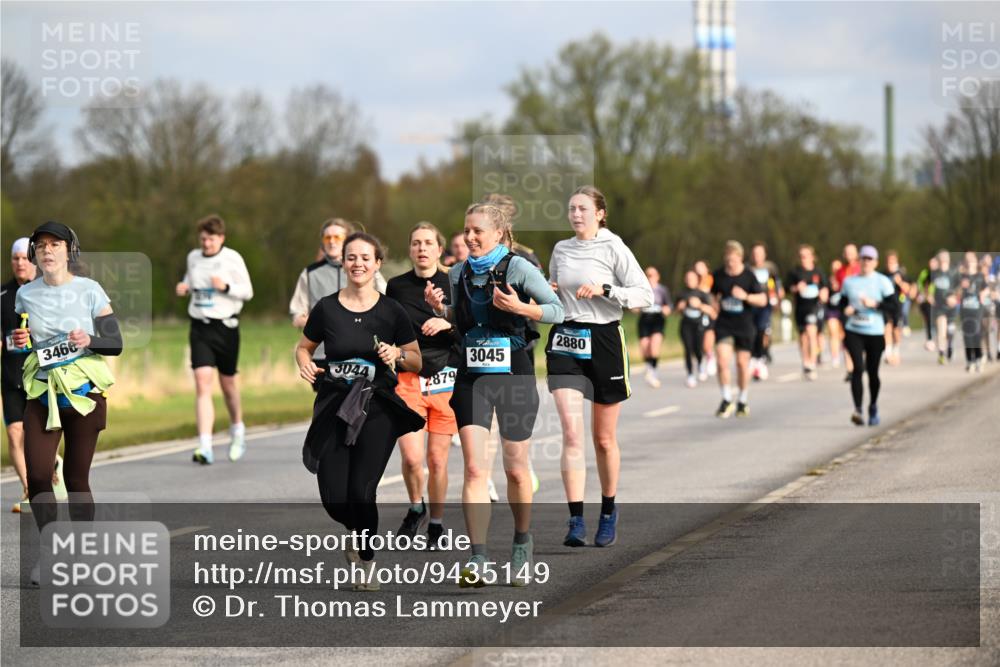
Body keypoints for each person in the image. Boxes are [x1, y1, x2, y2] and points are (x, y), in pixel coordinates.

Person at [424, 202, 563, 586]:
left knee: (516, 467)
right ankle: (478, 557)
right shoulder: (458, 272)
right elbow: (462, 316)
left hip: (514, 373)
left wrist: (522, 307)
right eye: (466, 230)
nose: (469, 237)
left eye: (477, 231)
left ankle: (521, 542)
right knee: (473, 468)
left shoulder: (519, 268)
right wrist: (443, 311)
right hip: (471, 375)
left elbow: (558, 310)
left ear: (498, 234)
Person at [297, 232, 425, 591]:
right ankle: (354, 529)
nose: (358, 264)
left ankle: (367, 562)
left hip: (377, 404)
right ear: (343, 262)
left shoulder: (390, 310)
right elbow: (304, 347)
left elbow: (416, 359)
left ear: (377, 264)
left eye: (365, 258)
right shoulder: (327, 307)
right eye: (351, 257)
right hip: (335, 403)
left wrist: (396, 355)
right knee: (335, 496)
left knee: (362, 489)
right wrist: (305, 363)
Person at [13, 221, 123, 585]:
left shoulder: (89, 289)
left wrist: (88, 339)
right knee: (40, 475)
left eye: (54, 244)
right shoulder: (26, 294)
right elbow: (22, 343)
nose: (47, 250)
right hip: (42, 392)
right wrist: (20, 339)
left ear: (68, 250)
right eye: (40, 245)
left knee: (76, 478)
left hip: (83, 394)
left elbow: (115, 342)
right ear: (34, 253)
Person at [547, 186, 652, 548]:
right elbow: (556, 296)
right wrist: (550, 290)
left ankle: (608, 511)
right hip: (566, 339)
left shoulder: (613, 247)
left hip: (605, 340)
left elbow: (644, 295)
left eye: (583, 209)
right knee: (572, 434)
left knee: (603, 439)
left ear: (600, 214)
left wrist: (608, 289)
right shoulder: (561, 249)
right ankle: (575, 519)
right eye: (571, 208)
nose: (576, 215)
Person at [387, 222, 460, 549]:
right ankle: (416, 505)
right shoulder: (397, 286)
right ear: (410, 249)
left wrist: (447, 321)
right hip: (407, 376)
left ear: (439, 248)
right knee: (413, 457)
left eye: (428, 242)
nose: (421, 248)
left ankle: (436, 524)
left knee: (438, 461)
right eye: (416, 243)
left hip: (445, 377)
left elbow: (469, 330)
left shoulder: (454, 282)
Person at [176, 215, 254, 464]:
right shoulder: (193, 257)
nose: (206, 244)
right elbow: (190, 280)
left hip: (226, 327)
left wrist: (226, 287)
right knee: (202, 382)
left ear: (221, 238)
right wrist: (184, 287)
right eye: (203, 239)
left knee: (228, 384)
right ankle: (205, 446)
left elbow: (248, 292)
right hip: (200, 326)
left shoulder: (232, 258)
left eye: (210, 239)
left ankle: (237, 429)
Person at [289, 218, 387, 390]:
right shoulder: (310, 273)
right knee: (330, 404)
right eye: (327, 238)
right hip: (321, 353)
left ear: (347, 239)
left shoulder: (364, 269)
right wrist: (318, 323)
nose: (332, 241)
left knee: (361, 404)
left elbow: (387, 304)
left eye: (337, 237)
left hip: (363, 351)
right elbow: (297, 313)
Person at [839, 245, 898, 426]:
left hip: (875, 332)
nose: (866, 262)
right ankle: (858, 409)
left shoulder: (882, 281)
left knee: (873, 373)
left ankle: (872, 405)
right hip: (854, 330)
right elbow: (840, 305)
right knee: (857, 369)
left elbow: (894, 307)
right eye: (863, 258)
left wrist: (875, 304)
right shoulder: (850, 282)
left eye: (869, 259)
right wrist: (846, 309)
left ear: (876, 262)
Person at [711, 241, 767, 418]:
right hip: (724, 324)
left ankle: (742, 400)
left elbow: (763, 300)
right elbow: (713, 294)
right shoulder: (719, 275)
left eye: (733, 261)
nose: (730, 264)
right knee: (721, 361)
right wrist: (714, 306)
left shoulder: (749, 276)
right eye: (727, 261)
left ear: (740, 258)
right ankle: (727, 398)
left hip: (744, 325)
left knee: (742, 364)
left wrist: (746, 296)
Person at [3, 238, 39, 512]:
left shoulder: (47, 291)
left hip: (41, 373)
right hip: (11, 374)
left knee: (38, 433)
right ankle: (30, 491)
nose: (19, 263)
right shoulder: (2, 294)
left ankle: (51, 465)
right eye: (15, 258)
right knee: (15, 434)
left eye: (24, 258)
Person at [786, 244, 829, 380]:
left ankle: (812, 362)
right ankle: (806, 362)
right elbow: (787, 289)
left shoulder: (818, 272)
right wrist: (796, 288)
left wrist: (824, 295)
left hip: (814, 306)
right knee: (803, 336)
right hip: (800, 307)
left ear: (812, 257)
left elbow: (825, 288)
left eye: (806, 256)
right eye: (801, 257)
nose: (804, 259)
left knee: (811, 332)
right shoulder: (795, 272)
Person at [748, 242, 782, 381]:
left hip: (766, 303)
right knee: (752, 331)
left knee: (763, 330)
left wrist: (776, 298)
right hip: (751, 304)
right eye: (755, 253)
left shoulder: (770, 268)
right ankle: (754, 356)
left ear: (764, 255)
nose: (757, 256)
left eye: (760, 253)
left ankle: (761, 357)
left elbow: (774, 283)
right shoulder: (748, 269)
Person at [674, 270, 713, 387]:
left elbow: (711, 311)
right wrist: (680, 307)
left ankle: (701, 363)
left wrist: (699, 305)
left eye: (692, 278)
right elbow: (675, 312)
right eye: (688, 278)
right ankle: (690, 375)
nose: (690, 280)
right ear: (685, 280)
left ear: (697, 280)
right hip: (686, 325)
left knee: (698, 349)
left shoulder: (702, 294)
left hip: (699, 325)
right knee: (688, 349)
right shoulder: (681, 294)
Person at [635, 266, 672, 388]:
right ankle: (649, 367)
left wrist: (666, 309)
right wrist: (634, 308)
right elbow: (634, 307)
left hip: (657, 319)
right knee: (645, 348)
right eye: (648, 275)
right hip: (645, 320)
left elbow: (668, 306)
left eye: (652, 275)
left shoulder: (662, 290)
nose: (650, 277)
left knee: (654, 346)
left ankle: (653, 372)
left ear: (657, 277)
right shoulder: (641, 290)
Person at [958, 252, 988, 373]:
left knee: (976, 333)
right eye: (967, 259)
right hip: (965, 309)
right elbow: (955, 293)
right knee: (967, 335)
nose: (970, 261)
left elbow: (986, 288)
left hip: (977, 309)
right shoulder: (961, 277)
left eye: (972, 259)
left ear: (976, 261)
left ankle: (978, 358)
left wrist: (983, 293)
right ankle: (969, 360)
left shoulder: (980, 276)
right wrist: (960, 288)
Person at [880, 251, 910, 366]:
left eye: (892, 262)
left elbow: (907, 290)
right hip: (886, 305)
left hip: (898, 305)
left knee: (896, 330)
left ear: (896, 262)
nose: (890, 264)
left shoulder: (901, 274)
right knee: (887, 327)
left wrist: (900, 282)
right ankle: (888, 353)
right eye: (888, 262)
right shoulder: (882, 275)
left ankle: (896, 350)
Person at [929, 249, 959, 364]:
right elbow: (930, 287)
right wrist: (930, 295)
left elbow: (960, 287)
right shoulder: (934, 273)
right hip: (939, 306)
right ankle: (941, 353)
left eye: (945, 259)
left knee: (950, 330)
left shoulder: (954, 272)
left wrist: (955, 297)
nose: (943, 261)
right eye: (941, 259)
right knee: (941, 330)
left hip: (951, 306)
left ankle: (950, 345)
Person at [694, 260, 717, 377]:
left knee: (707, 343)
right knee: (698, 343)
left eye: (701, 267)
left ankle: (710, 357)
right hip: (697, 316)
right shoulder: (693, 282)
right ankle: (701, 362)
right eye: (696, 268)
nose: (698, 270)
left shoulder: (711, 280)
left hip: (711, 314)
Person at [916, 257, 938, 352]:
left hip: (939, 300)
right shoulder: (924, 273)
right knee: (928, 319)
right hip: (927, 300)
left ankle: (940, 339)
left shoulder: (941, 274)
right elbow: (920, 286)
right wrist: (926, 296)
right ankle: (929, 339)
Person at [979, 254, 998, 362]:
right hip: (981, 306)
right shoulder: (978, 277)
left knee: (991, 329)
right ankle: (987, 352)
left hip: (993, 306)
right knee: (984, 331)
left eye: (988, 262)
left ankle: (994, 351)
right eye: (984, 263)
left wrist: (989, 292)